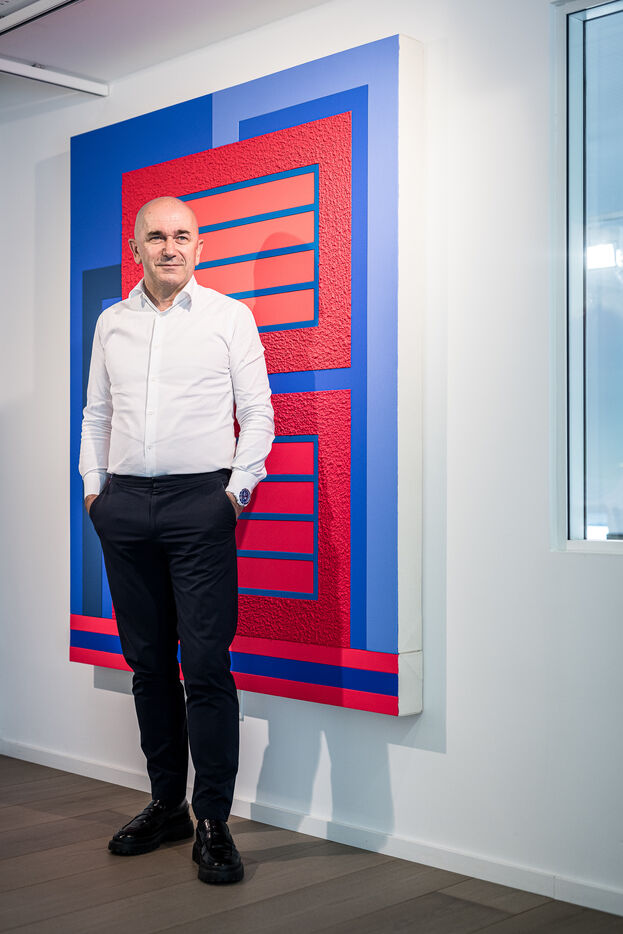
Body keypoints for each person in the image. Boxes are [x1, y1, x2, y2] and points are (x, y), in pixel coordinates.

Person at [79, 196, 274, 885]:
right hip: (125, 505)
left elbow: (257, 414)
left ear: (199, 246)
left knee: (207, 664)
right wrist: (95, 492)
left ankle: (213, 821)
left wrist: (233, 495)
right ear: (136, 247)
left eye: (182, 235)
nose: (170, 246)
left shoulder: (229, 316)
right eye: (156, 236)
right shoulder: (112, 322)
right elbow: (97, 413)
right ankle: (168, 806)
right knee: (149, 664)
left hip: (201, 503)